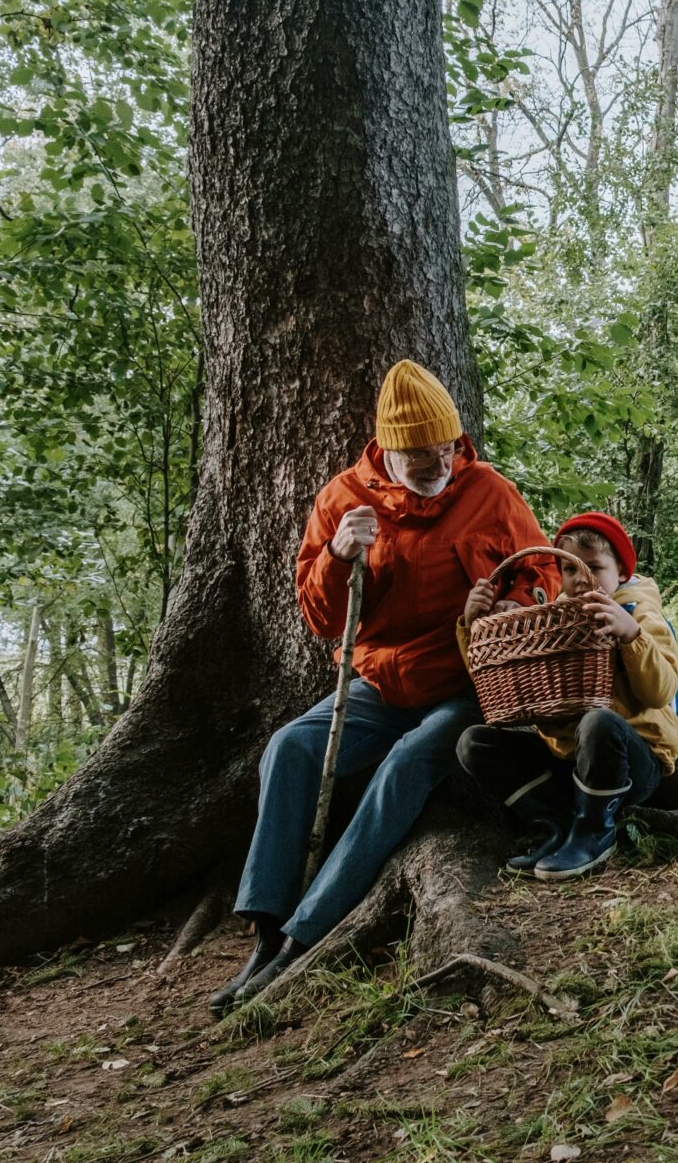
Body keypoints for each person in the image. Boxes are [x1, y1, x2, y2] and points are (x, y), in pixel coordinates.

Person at [209, 360, 555, 1017]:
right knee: (289, 747)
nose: (437, 465)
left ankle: (305, 935)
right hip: (379, 682)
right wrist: (339, 556)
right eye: (421, 456)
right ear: (388, 449)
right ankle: (263, 930)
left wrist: (515, 604)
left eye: (446, 450)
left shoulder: (489, 492)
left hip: (466, 682)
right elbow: (318, 616)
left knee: (405, 765)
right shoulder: (343, 498)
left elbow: (539, 573)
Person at [456, 512, 678, 881]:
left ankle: (595, 832)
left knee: (598, 721)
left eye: (595, 567)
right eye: (571, 570)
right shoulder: (556, 619)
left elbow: (660, 692)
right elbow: (502, 681)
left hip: (631, 760)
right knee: (474, 743)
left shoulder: (640, 613)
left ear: (622, 573)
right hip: (572, 763)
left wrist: (631, 636)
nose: (582, 580)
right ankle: (560, 825)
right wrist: (473, 625)